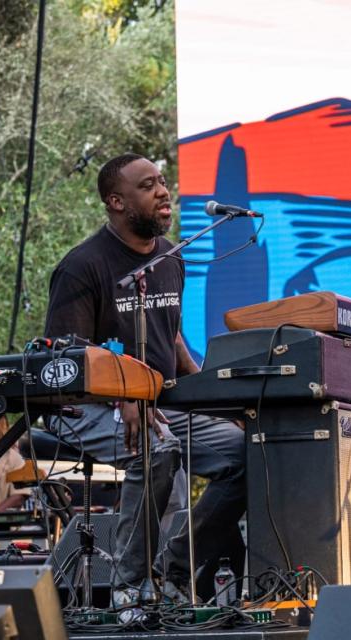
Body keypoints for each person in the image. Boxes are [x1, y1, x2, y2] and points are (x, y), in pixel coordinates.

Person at [44, 153, 244, 607]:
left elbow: (169, 336)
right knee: (158, 450)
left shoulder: (171, 257)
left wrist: (212, 396)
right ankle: (129, 587)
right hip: (87, 405)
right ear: (116, 201)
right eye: (148, 185)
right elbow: (68, 357)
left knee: (243, 454)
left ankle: (175, 566)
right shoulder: (83, 265)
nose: (163, 191)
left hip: (158, 401)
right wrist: (123, 393)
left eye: (163, 182)